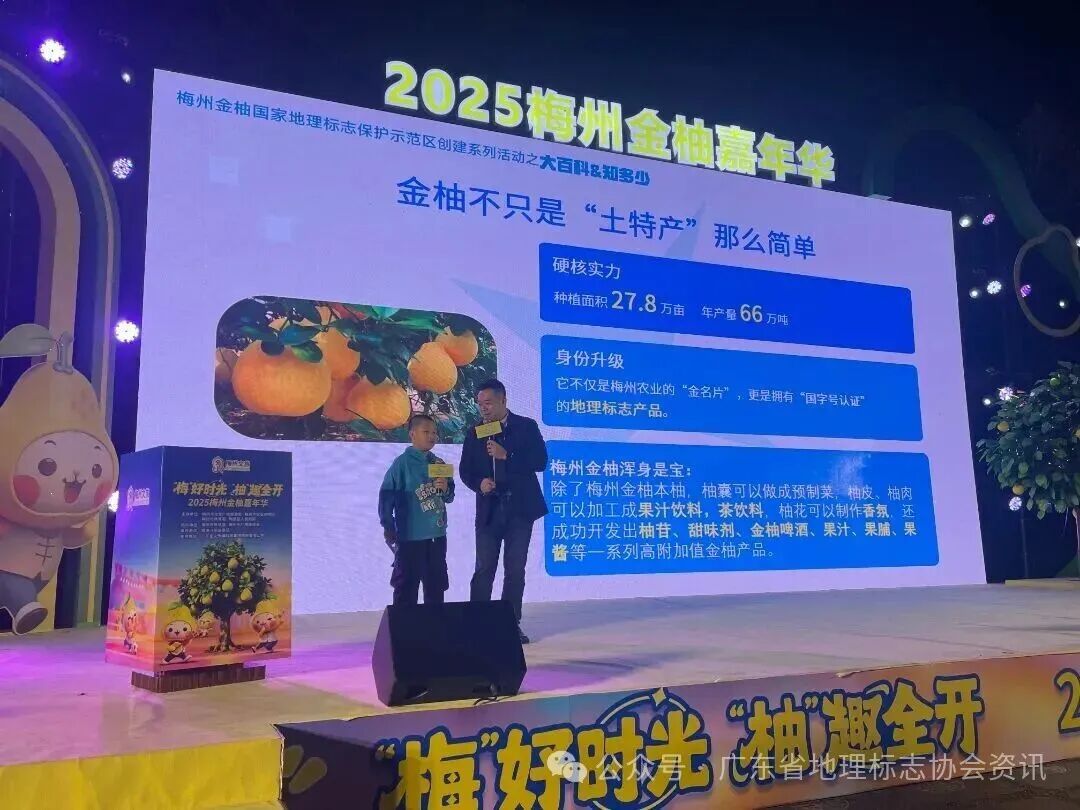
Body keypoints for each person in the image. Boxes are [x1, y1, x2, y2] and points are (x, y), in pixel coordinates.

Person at [460, 379, 548, 643]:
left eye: (488, 403)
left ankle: (510, 624)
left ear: (503, 400)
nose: (483, 408)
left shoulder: (526, 426)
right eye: (480, 404)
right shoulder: (475, 432)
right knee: (484, 568)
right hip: (489, 510)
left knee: (515, 569)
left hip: (519, 510)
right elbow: (465, 471)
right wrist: (479, 483)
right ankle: (477, 623)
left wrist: (507, 456)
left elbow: (540, 461)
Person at [379, 413, 455, 605]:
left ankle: (435, 623)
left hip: (437, 536)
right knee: (406, 587)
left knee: (436, 587)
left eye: (434, 432)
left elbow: (449, 497)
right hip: (410, 538)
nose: (432, 436)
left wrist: (445, 488)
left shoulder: (439, 463)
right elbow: (386, 497)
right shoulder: (401, 464)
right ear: (412, 434)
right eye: (426, 432)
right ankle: (404, 624)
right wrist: (388, 526)